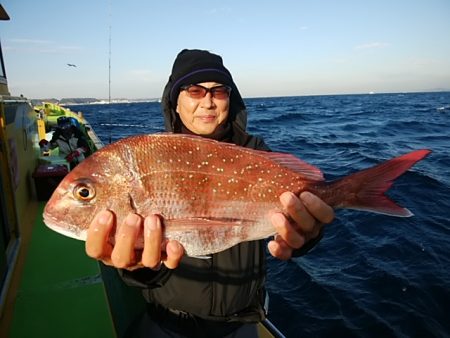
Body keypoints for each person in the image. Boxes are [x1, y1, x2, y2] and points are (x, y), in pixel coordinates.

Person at [85, 49, 335, 338]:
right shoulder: (151, 158)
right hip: (167, 323)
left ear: (230, 99)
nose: (207, 101)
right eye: (194, 91)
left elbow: (293, 219)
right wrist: (139, 266)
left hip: (240, 324)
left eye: (218, 91)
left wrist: (307, 235)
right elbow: (147, 269)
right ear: (175, 102)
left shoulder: (257, 153)